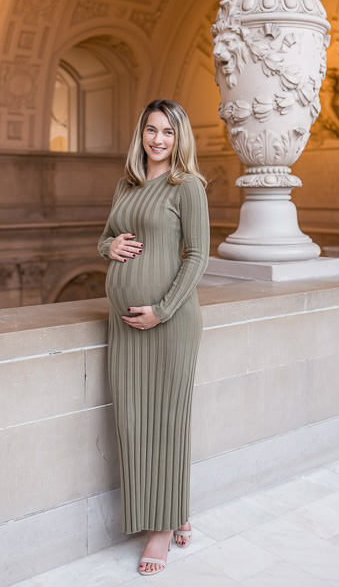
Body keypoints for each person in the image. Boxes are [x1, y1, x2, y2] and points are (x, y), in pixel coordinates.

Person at [98, 98, 210, 575]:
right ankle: (174, 511)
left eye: (167, 131)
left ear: (180, 137)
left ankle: (162, 531)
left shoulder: (187, 187)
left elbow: (198, 256)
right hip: (125, 329)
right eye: (151, 129)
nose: (158, 139)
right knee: (132, 424)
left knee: (166, 423)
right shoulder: (127, 184)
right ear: (141, 133)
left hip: (170, 325)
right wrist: (108, 244)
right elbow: (106, 236)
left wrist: (161, 311)